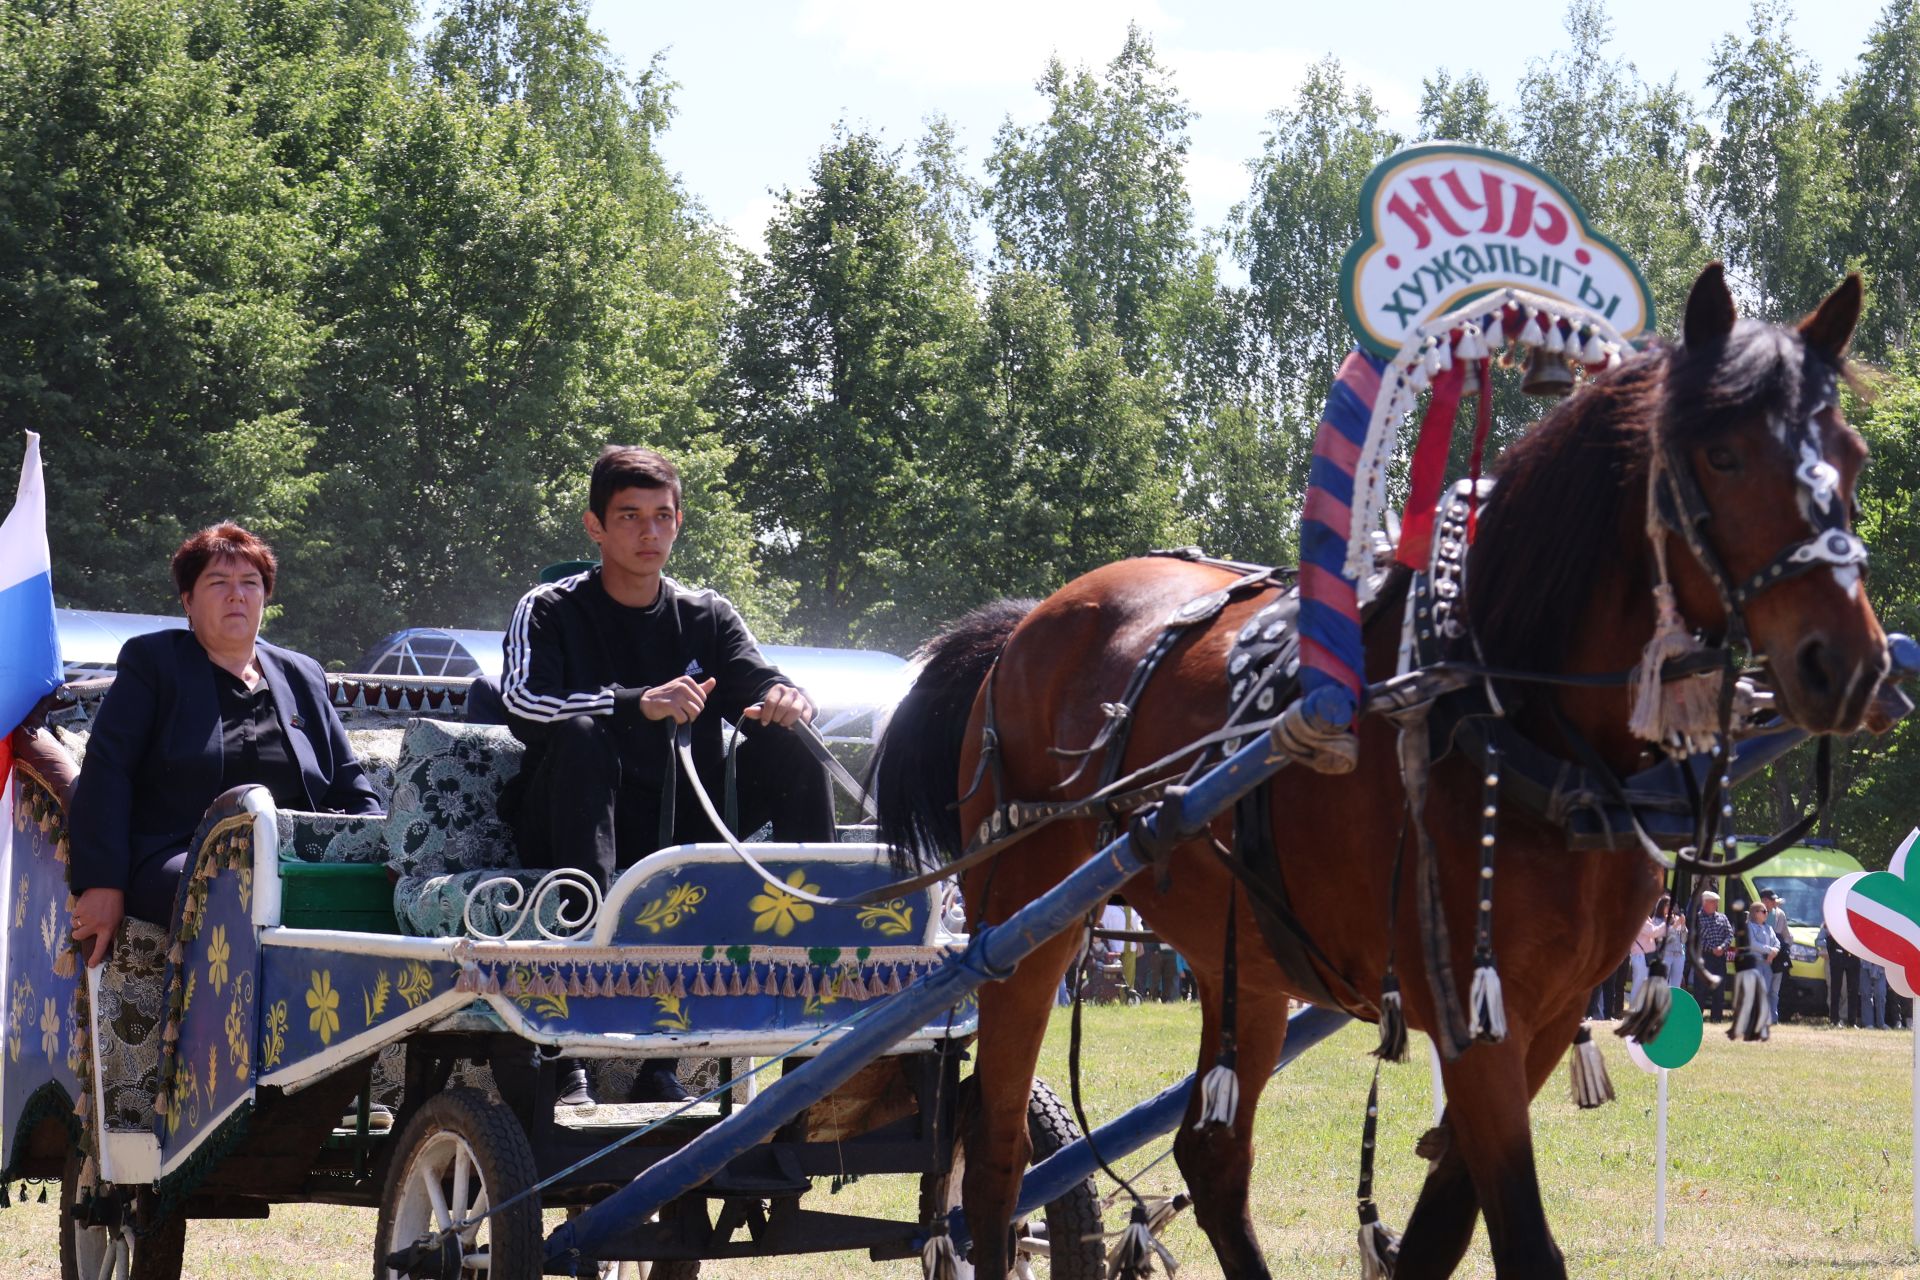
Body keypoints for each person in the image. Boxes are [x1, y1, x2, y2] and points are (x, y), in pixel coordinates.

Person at [499, 446, 833, 1101]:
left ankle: (816, 990)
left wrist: (791, 698)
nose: (648, 533)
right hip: (568, 820)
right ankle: (570, 1044)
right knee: (586, 734)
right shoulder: (548, 608)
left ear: (679, 521)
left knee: (791, 740)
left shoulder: (707, 614)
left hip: (682, 828)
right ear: (594, 526)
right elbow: (520, 704)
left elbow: (758, 679)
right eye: (629, 517)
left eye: (661, 516)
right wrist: (636, 702)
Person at [68, 524, 382, 964]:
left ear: (264, 599)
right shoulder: (153, 664)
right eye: (218, 583)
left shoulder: (300, 674)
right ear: (188, 602)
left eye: (250, 584)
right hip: (180, 852)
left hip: (293, 853)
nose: (237, 595)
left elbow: (349, 784)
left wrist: (389, 854)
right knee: (237, 891)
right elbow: (107, 771)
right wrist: (102, 882)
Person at [1695, 891, 1734, 1022]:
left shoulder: (1722, 918)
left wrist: (1722, 947)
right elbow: (1696, 939)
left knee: (1719, 989)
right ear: (1705, 903)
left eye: (1716, 902)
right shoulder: (1697, 918)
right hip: (1704, 957)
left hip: (1720, 958)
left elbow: (1729, 934)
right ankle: (1697, 1018)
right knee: (1700, 989)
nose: (1716, 904)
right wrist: (1712, 949)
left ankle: (1716, 1018)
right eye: (1713, 902)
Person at [1760, 888, 1792, 1019]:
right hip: (1761, 958)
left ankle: (1773, 1018)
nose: (1775, 902)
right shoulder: (1755, 913)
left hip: (1777, 957)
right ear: (1764, 901)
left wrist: (1786, 948)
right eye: (1772, 900)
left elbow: (1787, 935)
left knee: (1774, 991)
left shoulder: (1780, 914)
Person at [1860, 957, 1889, 1029]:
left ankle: (1881, 1023)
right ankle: (1868, 1023)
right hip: (1865, 963)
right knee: (1866, 994)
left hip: (1881, 965)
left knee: (1880, 994)